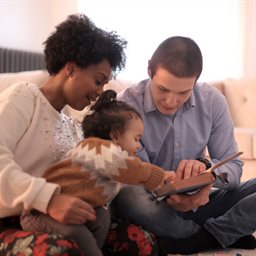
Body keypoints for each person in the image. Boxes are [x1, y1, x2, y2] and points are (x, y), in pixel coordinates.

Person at [110, 36, 256, 255]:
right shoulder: (125, 105)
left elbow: (234, 169)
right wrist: (168, 188)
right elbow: (130, 175)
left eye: (183, 93)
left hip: (201, 204)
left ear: (196, 81)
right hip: (151, 208)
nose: (171, 101)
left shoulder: (213, 101)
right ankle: (222, 232)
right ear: (149, 69)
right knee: (128, 197)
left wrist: (208, 173)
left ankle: (205, 236)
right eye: (163, 89)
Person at [0, 13, 127, 255]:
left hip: (46, 217)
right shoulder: (23, 97)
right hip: (8, 217)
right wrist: (49, 199)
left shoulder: (72, 126)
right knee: (64, 248)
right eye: (98, 81)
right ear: (70, 69)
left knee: (133, 236)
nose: (100, 92)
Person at [20, 89, 172, 255]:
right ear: (114, 135)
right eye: (136, 139)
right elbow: (129, 168)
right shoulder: (96, 149)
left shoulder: (107, 160)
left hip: (75, 209)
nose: (138, 146)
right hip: (39, 213)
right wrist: (158, 176)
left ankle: (92, 250)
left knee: (101, 216)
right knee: (77, 234)